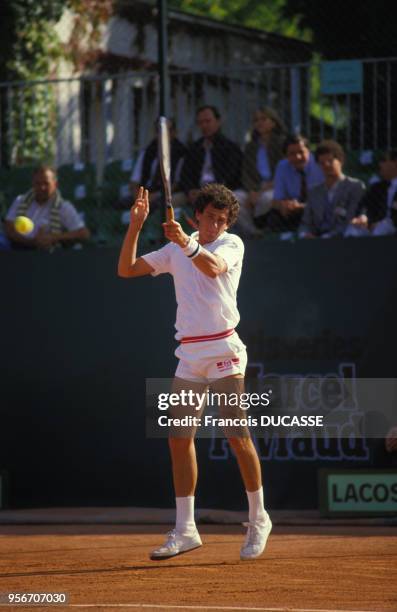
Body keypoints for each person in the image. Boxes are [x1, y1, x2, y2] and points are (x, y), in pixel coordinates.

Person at [118, 183, 272, 561]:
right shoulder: (173, 251)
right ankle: (186, 529)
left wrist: (187, 243)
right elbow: (126, 269)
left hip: (224, 349)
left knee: (236, 433)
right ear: (195, 216)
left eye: (223, 220)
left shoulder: (231, 245)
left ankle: (259, 518)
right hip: (190, 355)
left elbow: (212, 265)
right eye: (210, 219)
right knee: (177, 437)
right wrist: (136, 225)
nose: (217, 226)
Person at [4, 165, 90, 250]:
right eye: (38, 183)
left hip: (49, 254)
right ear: (33, 184)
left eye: (46, 183)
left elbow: (83, 233)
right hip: (18, 250)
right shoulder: (20, 201)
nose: (42, 187)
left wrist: (53, 238)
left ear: (55, 184)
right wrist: (32, 242)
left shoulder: (63, 207)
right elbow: (8, 228)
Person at [235, 107, 286, 237]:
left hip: (276, 185)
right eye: (256, 120)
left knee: (266, 199)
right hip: (255, 188)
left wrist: (262, 191)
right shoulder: (251, 146)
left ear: (274, 122)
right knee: (233, 198)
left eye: (264, 119)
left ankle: (261, 227)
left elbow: (284, 172)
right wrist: (252, 191)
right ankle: (253, 232)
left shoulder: (282, 143)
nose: (259, 123)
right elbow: (246, 174)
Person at [299, 140, 365, 238]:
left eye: (330, 161)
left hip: (343, 239)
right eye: (322, 163)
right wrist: (305, 234)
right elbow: (305, 222)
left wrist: (327, 237)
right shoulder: (314, 192)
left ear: (341, 161)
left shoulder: (355, 186)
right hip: (317, 240)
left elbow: (350, 220)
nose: (326, 165)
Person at [179, 106, 243, 205]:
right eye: (200, 122)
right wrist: (190, 191)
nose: (204, 125)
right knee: (169, 203)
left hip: (222, 191)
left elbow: (231, 176)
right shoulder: (195, 148)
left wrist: (211, 191)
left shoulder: (230, 147)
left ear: (218, 121)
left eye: (208, 121)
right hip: (197, 191)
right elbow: (185, 175)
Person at [265, 134, 324, 232]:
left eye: (301, 152)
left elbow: (327, 198)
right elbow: (276, 200)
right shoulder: (282, 167)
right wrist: (283, 205)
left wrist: (303, 206)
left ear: (309, 151)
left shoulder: (320, 164)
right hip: (295, 210)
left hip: (318, 208)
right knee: (273, 217)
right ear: (286, 156)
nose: (298, 157)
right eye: (292, 154)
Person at [129, 118, 187, 211]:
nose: (163, 134)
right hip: (145, 193)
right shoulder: (148, 152)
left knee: (160, 205)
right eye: (159, 131)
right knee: (118, 205)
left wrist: (156, 195)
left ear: (174, 132)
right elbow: (134, 182)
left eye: (167, 130)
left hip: (167, 194)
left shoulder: (181, 153)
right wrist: (139, 198)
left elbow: (177, 183)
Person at [347, 150, 397, 237]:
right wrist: (364, 216)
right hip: (374, 227)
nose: (380, 165)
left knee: (383, 228)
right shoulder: (377, 188)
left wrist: (384, 224)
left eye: (384, 160)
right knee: (353, 230)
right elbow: (365, 205)